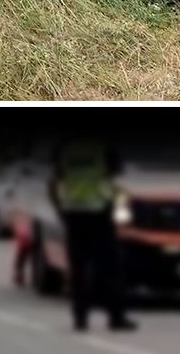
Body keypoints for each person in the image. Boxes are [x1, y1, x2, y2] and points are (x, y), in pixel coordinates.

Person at [48, 139, 136, 333]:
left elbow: (54, 182)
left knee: (78, 269)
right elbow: (118, 182)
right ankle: (116, 318)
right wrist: (121, 215)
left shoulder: (64, 148)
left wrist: (61, 210)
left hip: (74, 215)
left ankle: (80, 319)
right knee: (111, 268)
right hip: (100, 213)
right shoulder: (104, 147)